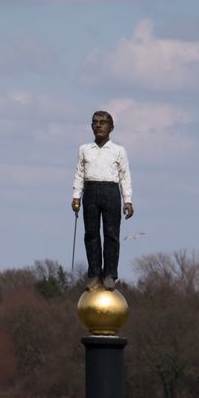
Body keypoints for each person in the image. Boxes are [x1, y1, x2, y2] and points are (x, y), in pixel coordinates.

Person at [71, 110, 133, 290]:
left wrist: (127, 200)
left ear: (111, 127)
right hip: (90, 190)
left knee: (111, 235)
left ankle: (110, 275)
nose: (98, 125)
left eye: (103, 122)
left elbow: (125, 176)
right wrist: (76, 196)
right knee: (91, 234)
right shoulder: (84, 149)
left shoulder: (118, 151)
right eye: (95, 122)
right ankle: (94, 274)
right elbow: (79, 173)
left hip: (111, 191)